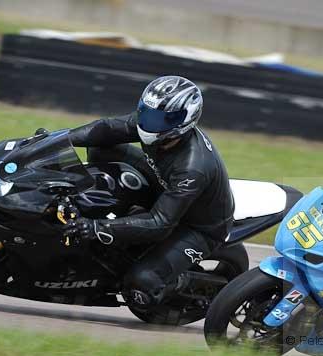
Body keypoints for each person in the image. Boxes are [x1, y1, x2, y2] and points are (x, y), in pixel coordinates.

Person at [63, 75, 234, 308]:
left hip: (196, 226)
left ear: (184, 120)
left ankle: (184, 287)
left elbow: (160, 223)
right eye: (148, 113)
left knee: (140, 284)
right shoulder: (154, 125)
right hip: (164, 185)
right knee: (101, 147)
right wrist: (60, 140)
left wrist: (96, 228)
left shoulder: (194, 167)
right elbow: (107, 128)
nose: (150, 123)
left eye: (162, 118)